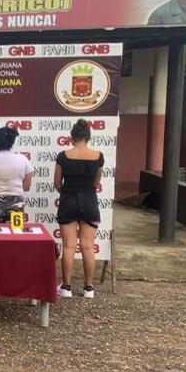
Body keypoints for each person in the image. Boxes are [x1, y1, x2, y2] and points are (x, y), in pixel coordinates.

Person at [54, 119, 105, 299]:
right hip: (89, 200)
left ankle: (66, 287)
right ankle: (88, 288)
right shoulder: (98, 156)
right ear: (88, 137)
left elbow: (57, 183)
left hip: (68, 199)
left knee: (69, 246)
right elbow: (97, 182)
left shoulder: (63, 156)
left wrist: (67, 191)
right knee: (88, 247)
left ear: (72, 137)